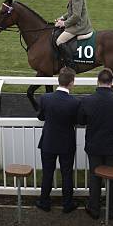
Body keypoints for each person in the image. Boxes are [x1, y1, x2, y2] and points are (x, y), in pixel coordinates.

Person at [77, 68, 113, 220]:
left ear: (98, 81)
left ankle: (94, 209)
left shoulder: (87, 100)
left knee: (95, 177)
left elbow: (81, 120)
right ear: (112, 82)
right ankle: (112, 209)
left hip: (95, 146)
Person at [35, 67, 80, 213]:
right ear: (71, 83)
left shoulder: (46, 98)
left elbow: (41, 116)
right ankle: (67, 204)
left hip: (49, 141)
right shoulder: (75, 102)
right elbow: (78, 120)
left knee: (47, 172)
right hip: (66, 142)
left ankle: (44, 202)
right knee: (67, 173)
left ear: (58, 81)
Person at [54, 0, 92, 69]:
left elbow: (76, 16)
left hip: (79, 26)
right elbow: (72, 12)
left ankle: (70, 65)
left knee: (59, 41)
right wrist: (62, 17)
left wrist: (64, 24)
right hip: (77, 22)